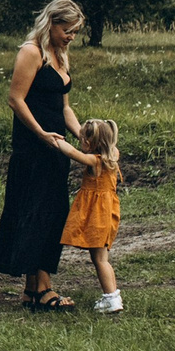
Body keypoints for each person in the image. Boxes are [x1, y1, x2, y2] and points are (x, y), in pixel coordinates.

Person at [0, 0, 105, 311]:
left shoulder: (61, 55)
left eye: (76, 32)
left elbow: (63, 106)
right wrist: (40, 132)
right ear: (51, 23)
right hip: (33, 148)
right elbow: (15, 99)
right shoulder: (32, 52)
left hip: (57, 147)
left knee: (51, 216)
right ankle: (43, 290)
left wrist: (83, 134)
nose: (72, 37)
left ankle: (33, 291)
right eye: (68, 30)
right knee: (35, 214)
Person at [62, 118, 123, 315]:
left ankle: (111, 297)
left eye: (81, 139)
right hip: (109, 213)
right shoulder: (113, 154)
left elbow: (72, 153)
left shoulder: (94, 162)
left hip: (98, 216)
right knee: (103, 258)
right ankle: (113, 296)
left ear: (88, 143)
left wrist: (54, 139)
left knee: (99, 260)